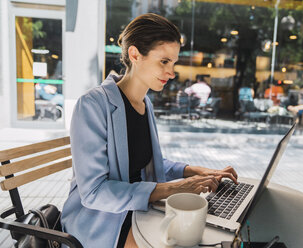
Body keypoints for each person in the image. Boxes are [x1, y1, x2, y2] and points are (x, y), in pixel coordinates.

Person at [61, 13, 238, 248]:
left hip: (138, 209)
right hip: (100, 221)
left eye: (173, 63)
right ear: (135, 54)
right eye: (164, 61)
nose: (172, 73)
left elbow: (148, 163)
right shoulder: (93, 105)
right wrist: (174, 188)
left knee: (205, 236)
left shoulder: (145, 103)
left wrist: (198, 171)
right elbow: (94, 193)